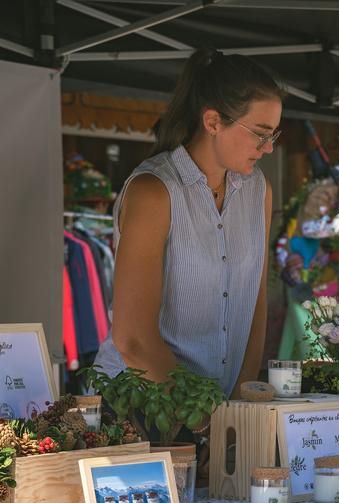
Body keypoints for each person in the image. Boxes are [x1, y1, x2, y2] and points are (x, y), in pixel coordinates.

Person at [93, 48, 282, 414]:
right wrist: (202, 418)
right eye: (260, 134)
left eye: (274, 134)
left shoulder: (259, 191)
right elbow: (133, 338)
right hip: (140, 406)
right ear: (213, 122)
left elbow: (254, 305)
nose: (269, 147)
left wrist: (237, 408)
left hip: (213, 411)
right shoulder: (156, 190)